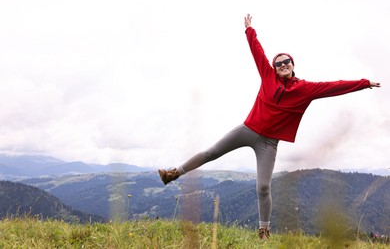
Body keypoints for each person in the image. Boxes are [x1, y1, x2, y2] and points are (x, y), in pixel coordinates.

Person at [158, 14, 381, 240]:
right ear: (274, 68)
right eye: (278, 63)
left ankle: (264, 230)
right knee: (211, 152)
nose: (282, 65)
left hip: (268, 144)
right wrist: (249, 30)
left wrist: (363, 84)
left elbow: (334, 86)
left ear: (293, 66)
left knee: (263, 187)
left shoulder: (305, 89)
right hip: (246, 130)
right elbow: (257, 51)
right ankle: (173, 173)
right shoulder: (268, 76)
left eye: (287, 62)